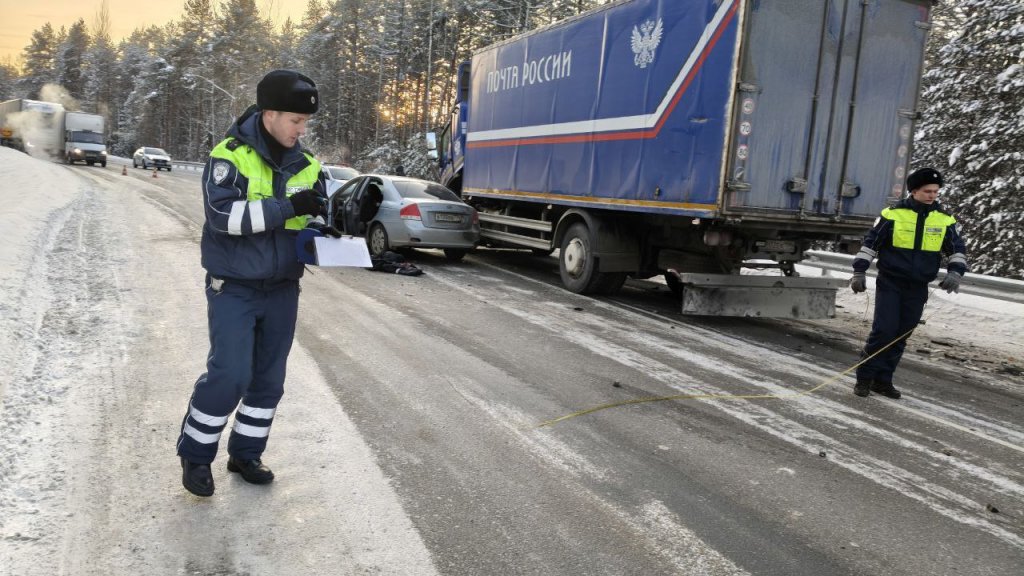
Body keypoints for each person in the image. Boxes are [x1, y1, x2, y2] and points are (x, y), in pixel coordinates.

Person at [176, 69, 340, 497]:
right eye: (295, 120)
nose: (301, 130)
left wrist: (330, 234)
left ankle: (245, 453)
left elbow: (312, 223)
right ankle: (195, 454)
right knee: (230, 374)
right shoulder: (229, 156)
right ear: (269, 114)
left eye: (305, 123)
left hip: (283, 288)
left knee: (269, 381)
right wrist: (288, 207)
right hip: (234, 287)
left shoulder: (308, 166)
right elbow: (224, 219)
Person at [849, 167, 968, 399]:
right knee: (884, 331)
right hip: (890, 282)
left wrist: (956, 272)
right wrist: (859, 272)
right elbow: (870, 245)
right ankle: (864, 378)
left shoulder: (944, 220)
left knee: (902, 333)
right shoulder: (893, 214)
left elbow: (957, 249)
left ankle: (883, 381)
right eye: (927, 191)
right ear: (914, 191)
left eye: (935, 191)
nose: (933, 195)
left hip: (918, 286)